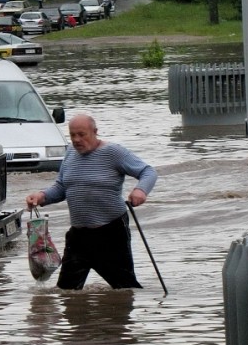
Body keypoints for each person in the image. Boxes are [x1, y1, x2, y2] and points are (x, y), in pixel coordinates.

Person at [26, 114, 158, 290]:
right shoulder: (70, 154)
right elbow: (61, 187)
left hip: (111, 233)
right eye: (72, 135)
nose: (76, 140)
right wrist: (41, 196)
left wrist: (140, 190)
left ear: (95, 132)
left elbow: (148, 172)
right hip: (78, 237)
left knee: (125, 289)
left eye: (82, 134)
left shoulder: (114, 152)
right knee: (66, 291)